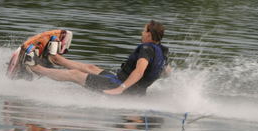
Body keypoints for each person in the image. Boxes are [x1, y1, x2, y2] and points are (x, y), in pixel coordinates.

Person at [28, 20, 170, 95]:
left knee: (75, 75)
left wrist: (121, 88)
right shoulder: (162, 52)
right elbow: (166, 72)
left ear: (149, 35)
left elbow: (139, 71)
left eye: (143, 30)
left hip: (120, 87)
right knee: (91, 68)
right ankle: (56, 59)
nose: (141, 33)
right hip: (129, 87)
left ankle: (36, 68)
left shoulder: (146, 49)